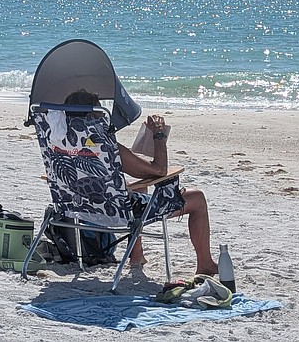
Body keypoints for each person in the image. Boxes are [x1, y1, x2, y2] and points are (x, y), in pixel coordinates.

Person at [64, 89, 218, 275]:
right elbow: (160, 170)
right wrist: (159, 134)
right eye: (99, 110)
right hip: (117, 211)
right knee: (197, 198)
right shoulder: (105, 145)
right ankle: (205, 265)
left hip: (79, 208)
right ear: (93, 115)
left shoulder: (58, 143)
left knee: (138, 186)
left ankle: (136, 255)